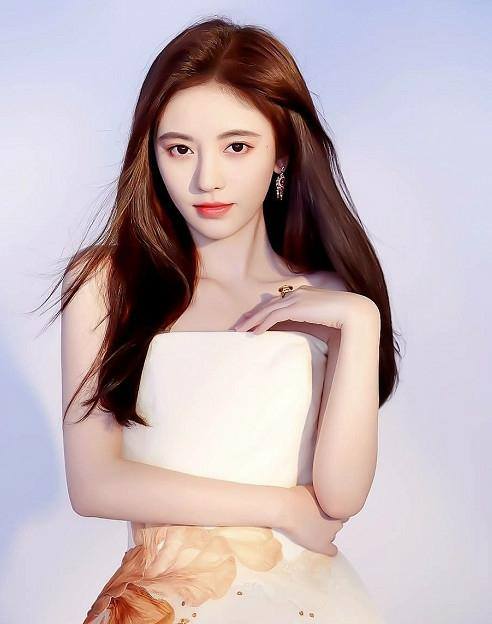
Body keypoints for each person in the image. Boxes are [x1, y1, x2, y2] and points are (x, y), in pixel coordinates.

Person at [51, 15, 400, 623]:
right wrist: (280, 506)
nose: (205, 179)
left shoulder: (331, 300)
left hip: (309, 605)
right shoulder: (105, 283)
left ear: (281, 152)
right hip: (163, 603)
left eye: (237, 146)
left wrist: (362, 320)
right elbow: (93, 485)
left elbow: (339, 501)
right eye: (179, 149)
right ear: (152, 154)